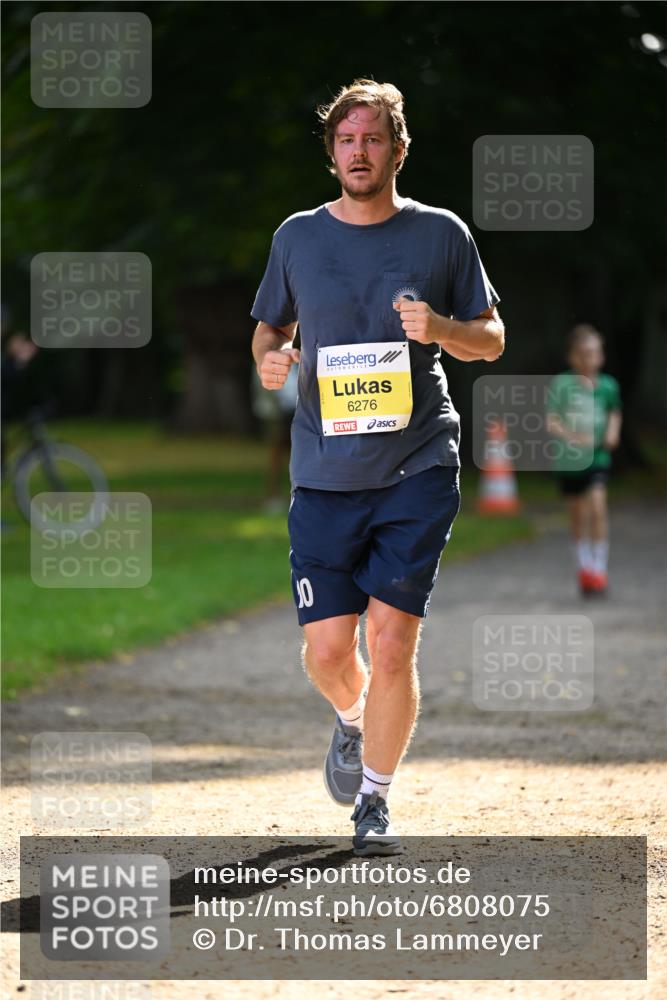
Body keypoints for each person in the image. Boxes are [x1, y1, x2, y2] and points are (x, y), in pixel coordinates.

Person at [250, 79, 504, 856]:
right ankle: (352, 721)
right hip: (324, 472)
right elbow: (267, 336)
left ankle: (374, 801)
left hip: (416, 464)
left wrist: (442, 327)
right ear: (332, 154)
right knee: (329, 653)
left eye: (372, 139)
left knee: (391, 641)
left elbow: (490, 339)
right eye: (345, 140)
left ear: (397, 147)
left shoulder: (440, 234)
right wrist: (271, 363)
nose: (359, 152)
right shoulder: (296, 236)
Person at [547, 324, 622, 596]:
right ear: (572, 357)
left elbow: (614, 412)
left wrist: (612, 433)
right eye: (583, 354)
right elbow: (552, 421)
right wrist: (572, 436)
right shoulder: (563, 384)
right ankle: (584, 567)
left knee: (598, 506)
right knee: (578, 513)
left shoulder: (608, 385)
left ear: (601, 356)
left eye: (594, 353)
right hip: (570, 461)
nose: (589, 359)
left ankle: (599, 570)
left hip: (597, 458)